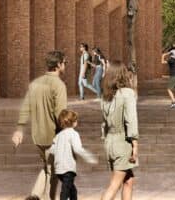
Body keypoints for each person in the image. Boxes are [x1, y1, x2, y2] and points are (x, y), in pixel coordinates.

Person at [11, 49, 68, 200]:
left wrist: (19, 129)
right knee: (53, 172)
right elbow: (61, 114)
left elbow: (25, 107)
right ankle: (42, 197)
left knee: (49, 168)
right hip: (53, 136)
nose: (65, 66)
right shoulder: (58, 85)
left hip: (38, 137)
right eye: (64, 63)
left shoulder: (35, 84)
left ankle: (35, 196)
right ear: (58, 64)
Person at [99, 62, 138, 200]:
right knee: (114, 185)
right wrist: (135, 145)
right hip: (122, 142)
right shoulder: (127, 93)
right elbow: (131, 120)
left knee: (128, 180)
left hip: (110, 142)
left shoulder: (105, 96)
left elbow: (104, 123)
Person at [48, 109, 97, 200]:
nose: (77, 122)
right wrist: (89, 157)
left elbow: (52, 150)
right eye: (76, 120)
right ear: (72, 122)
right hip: (68, 168)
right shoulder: (74, 134)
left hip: (59, 169)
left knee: (72, 190)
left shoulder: (58, 136)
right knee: (65, 191)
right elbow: (77, 149)